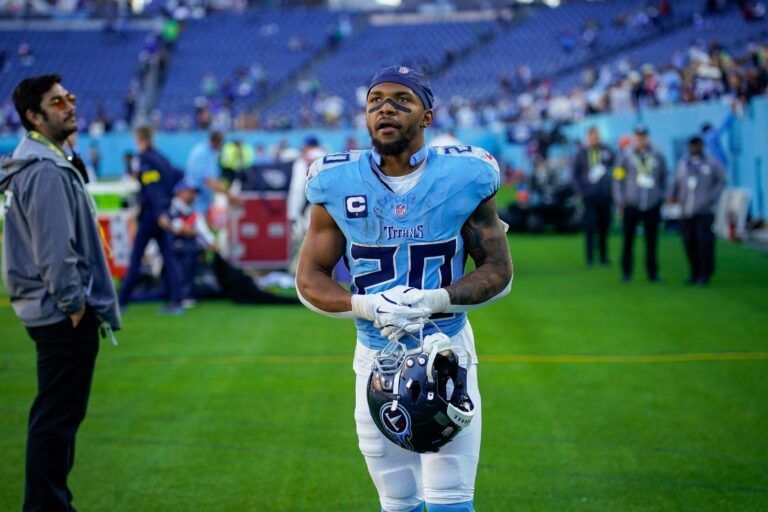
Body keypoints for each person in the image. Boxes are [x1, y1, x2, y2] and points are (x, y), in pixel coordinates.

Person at [296, 65, 513, 512]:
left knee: (450, 499)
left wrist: (438, 299)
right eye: (375, 101)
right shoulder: (336, 181)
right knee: (397, 502)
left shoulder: (465, 175)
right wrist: (365, 304)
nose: (385, 109)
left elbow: (497, 269)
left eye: (401, 100)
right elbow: (309, 277)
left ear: (426, 116)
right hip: (374, 356)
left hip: (446, 351)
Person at [0, 74, 121, 511]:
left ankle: (51, 502)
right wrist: (74, 306)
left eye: (69, 97)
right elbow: (55, 252)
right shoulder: (46, 171)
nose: (69, 105)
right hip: (60, 312)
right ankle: (46, 506)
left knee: (57, 416)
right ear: (34, 116)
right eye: (56, 102)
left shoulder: (44, 161)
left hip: (46, 308)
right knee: (56, 419)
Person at [118, 125, 184, 313]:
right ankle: (177, 301)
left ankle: (121, 301)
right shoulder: (163, 159)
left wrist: (160, 212)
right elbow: (175, 179)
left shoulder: (145, 160)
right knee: (169, 259)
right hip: (162, 214)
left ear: (140, 139)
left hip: (151, 216)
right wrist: (167, 209)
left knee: (136, 257)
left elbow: (152, 188)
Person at [613, 124, 668, 282]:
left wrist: (661, 196)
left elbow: (665, 177)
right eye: (638, 136)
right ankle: (626, 272)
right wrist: (620, 199)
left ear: (647, 137)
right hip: (631, 204)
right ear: (634, 138)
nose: (640, 139)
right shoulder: (625, 156)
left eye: (643, 136)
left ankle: (652, 272)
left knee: (652, 241)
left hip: (651, 204)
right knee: (628, 241)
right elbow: (618, 178)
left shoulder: (657, 155)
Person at [670, 136, 726, 285]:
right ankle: (694, 273)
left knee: (704, 242)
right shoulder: (683, 163)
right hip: (686, 210)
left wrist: (711, 198)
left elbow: (721, 181)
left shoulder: (711, 162)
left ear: (701, 145)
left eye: (696, 145)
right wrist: (673, 195)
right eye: (691, 145)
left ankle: (705, 273)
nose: (694, 148)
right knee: (689, 242)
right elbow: (676, 181)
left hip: (704, 210)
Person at [168, 179, 216, 305]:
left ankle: (187, 293)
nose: (194, 196)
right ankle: (183, 294)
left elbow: (204, 234)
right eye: (191, 192)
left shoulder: (192, 212)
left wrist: (211, 244)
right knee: (187, 250)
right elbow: (178, 229)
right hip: (170, 248)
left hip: (186, 247)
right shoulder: (171, 208)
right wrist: (191, 232)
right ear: (181, 192)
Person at [572, 126, 615, 266]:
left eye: (597, 136)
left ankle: (603, 256)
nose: (595, 139)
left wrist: (613, 187)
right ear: (588, 137)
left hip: (605, 195)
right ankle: (589, 257)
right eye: (592, 137)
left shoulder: (607, 151)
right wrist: (581, 191)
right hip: (589, 197)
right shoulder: (582, 153)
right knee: (590, 227)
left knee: (604, 226)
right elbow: (575, 175)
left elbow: (617, 169)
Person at [185, 130, 227, 214]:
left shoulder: (212, 153)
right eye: (221, 143)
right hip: (196, 200)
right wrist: (227, 195)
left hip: (205, 200)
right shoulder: (200, 153)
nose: (221, 146)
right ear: (216, 141)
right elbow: (207, 180)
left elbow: (213, 176)